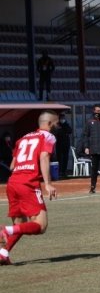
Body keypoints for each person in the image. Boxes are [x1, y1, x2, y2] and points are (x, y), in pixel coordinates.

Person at [0, 110, 59, 265]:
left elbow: (13, 166)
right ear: (49, 124)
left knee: (20, 225)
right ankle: (5, 230)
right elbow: (44, 156)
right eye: (56, 123)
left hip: (13, 183)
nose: (57, 126)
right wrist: (47, 183)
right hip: (28, 183)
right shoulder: (48, 136)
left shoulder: (22, 138)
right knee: (41, 225)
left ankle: (3, 253)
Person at [52, 112, 72, 178]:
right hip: (59, 143)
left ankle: (64, 171)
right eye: (61, 118)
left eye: (63, 118)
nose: (62, 119)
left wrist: (64, 124)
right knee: (59, 158)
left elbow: (70, 131)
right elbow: (56, 132)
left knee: (65, 157)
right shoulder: (57, 125)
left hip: (66, 143)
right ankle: (59, 171)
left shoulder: (66, 124)